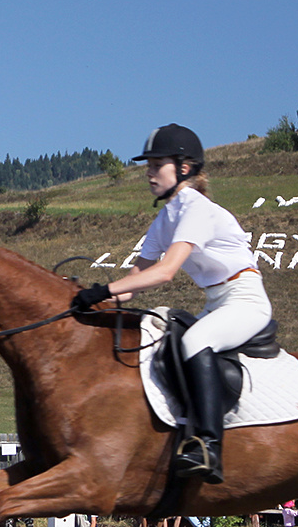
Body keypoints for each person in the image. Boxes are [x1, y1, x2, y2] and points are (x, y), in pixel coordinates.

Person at [71, 124, 269, 483]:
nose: (148, 172)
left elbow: (165, 272)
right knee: (165, 336)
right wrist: (82, 300)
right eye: (148, 165)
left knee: (195, 341)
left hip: (246, 300)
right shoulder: (165, 218)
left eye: (156, 164)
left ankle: (209, 446)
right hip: (217, 302)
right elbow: (131, 285)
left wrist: (105, 289)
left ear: (184, 167)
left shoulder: (197, 209)